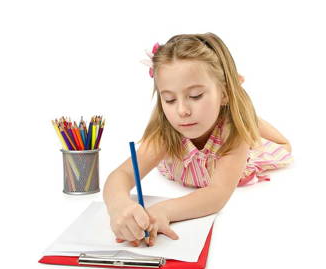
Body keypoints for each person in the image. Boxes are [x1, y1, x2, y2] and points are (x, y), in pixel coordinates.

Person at [103, 32, 293, 247]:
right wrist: (119, 206)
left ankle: (250, 120)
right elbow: (122, 174)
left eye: (195, 96)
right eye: (170, 99)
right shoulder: (166, 132)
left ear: (224, 93)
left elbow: (216, 194)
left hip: (234, 133)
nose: (182, 110)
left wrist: (163, 210)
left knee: (273, 141)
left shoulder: (233, 134)